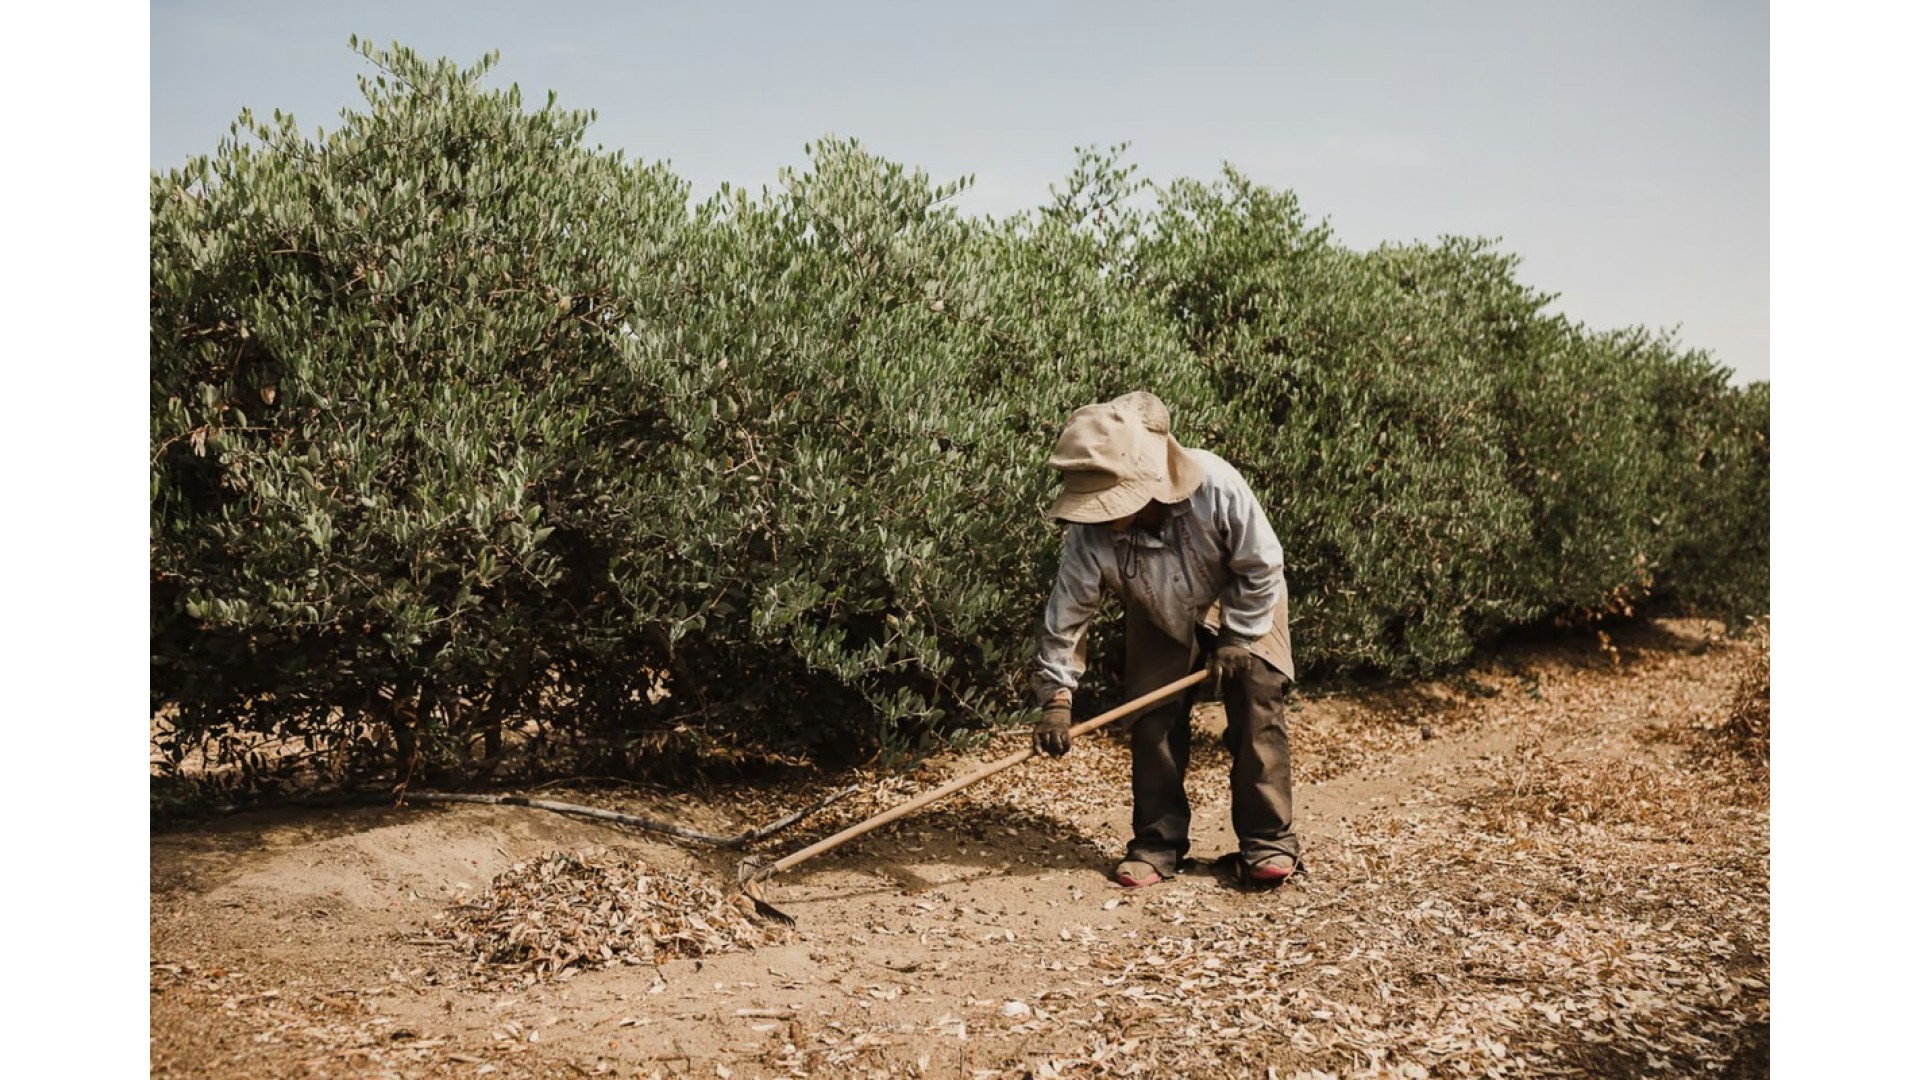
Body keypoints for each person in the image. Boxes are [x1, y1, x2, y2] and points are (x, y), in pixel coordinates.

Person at [1031, 390, 1300, 889]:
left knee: (1257, 702)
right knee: (1152, 719)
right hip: (1157, 610)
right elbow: (1067, 616)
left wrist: (1238, 637)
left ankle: (1268, 841)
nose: (1096, 511)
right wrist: (1056, 699)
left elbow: (1262, 565)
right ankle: (1157, 844)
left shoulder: (1215, 483)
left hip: (1243, 598)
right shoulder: (1089, 537)